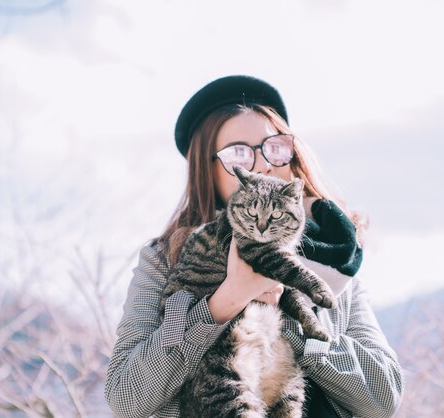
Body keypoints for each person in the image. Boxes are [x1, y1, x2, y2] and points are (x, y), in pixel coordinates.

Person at [105, 75, 404, 418]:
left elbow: (384, 397)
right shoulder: (165, 258)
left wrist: (289, 320)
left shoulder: (335, 257)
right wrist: (225, 303)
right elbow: (126, 397)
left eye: (274, 147)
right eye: (238, 154)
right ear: (208, 170)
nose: (263, 164)